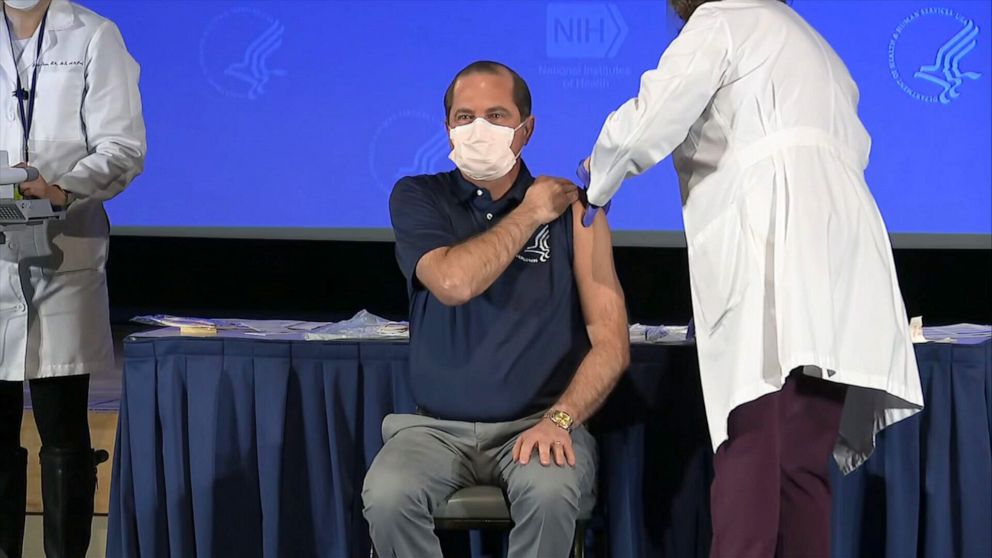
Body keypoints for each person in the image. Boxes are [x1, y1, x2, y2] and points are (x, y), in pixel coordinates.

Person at [579, 1, 924, 556]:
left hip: (773, 238)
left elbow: (657, 110)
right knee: (803, 458)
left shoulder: (722, 20)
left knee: (752, 437)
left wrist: (598, 176)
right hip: (842, 245)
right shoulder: (818, 45)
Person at [362, 60, 630, 558]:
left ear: (526, 130)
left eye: (496, 115)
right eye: (464, 117)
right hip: (434, 430)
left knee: (552, 495)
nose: (478, 129)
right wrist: (530, 212)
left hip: (538, 422)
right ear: (447, 128)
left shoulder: (575, 211)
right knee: (388, 495)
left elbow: (611, 342)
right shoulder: (419, 197)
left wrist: (562, 419)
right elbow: (453, 281)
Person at [0, 0, 146, 556]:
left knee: (63, 435)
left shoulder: (93, 35)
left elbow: (123, 146)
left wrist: (62, 189)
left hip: (64, 252)